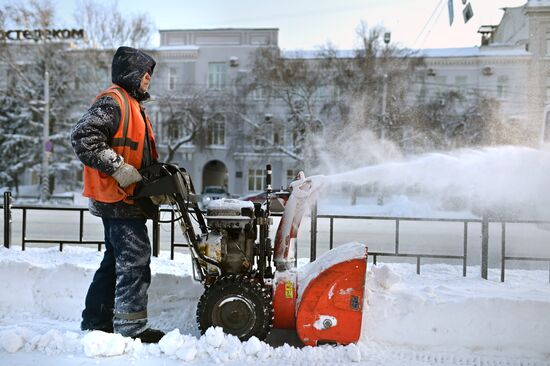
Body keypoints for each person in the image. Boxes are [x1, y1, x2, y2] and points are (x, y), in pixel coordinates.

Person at [71, 46, 164, 343]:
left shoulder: (131, 104)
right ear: (131, 73)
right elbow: (84, 137)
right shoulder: (114, 101)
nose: (148, 79)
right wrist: (119, 169)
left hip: (125, 197)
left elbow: (137, 151)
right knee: (134, 259)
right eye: (145, 74)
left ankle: (96, 321)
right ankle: (130, 328)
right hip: (118, 197)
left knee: (115, 260)